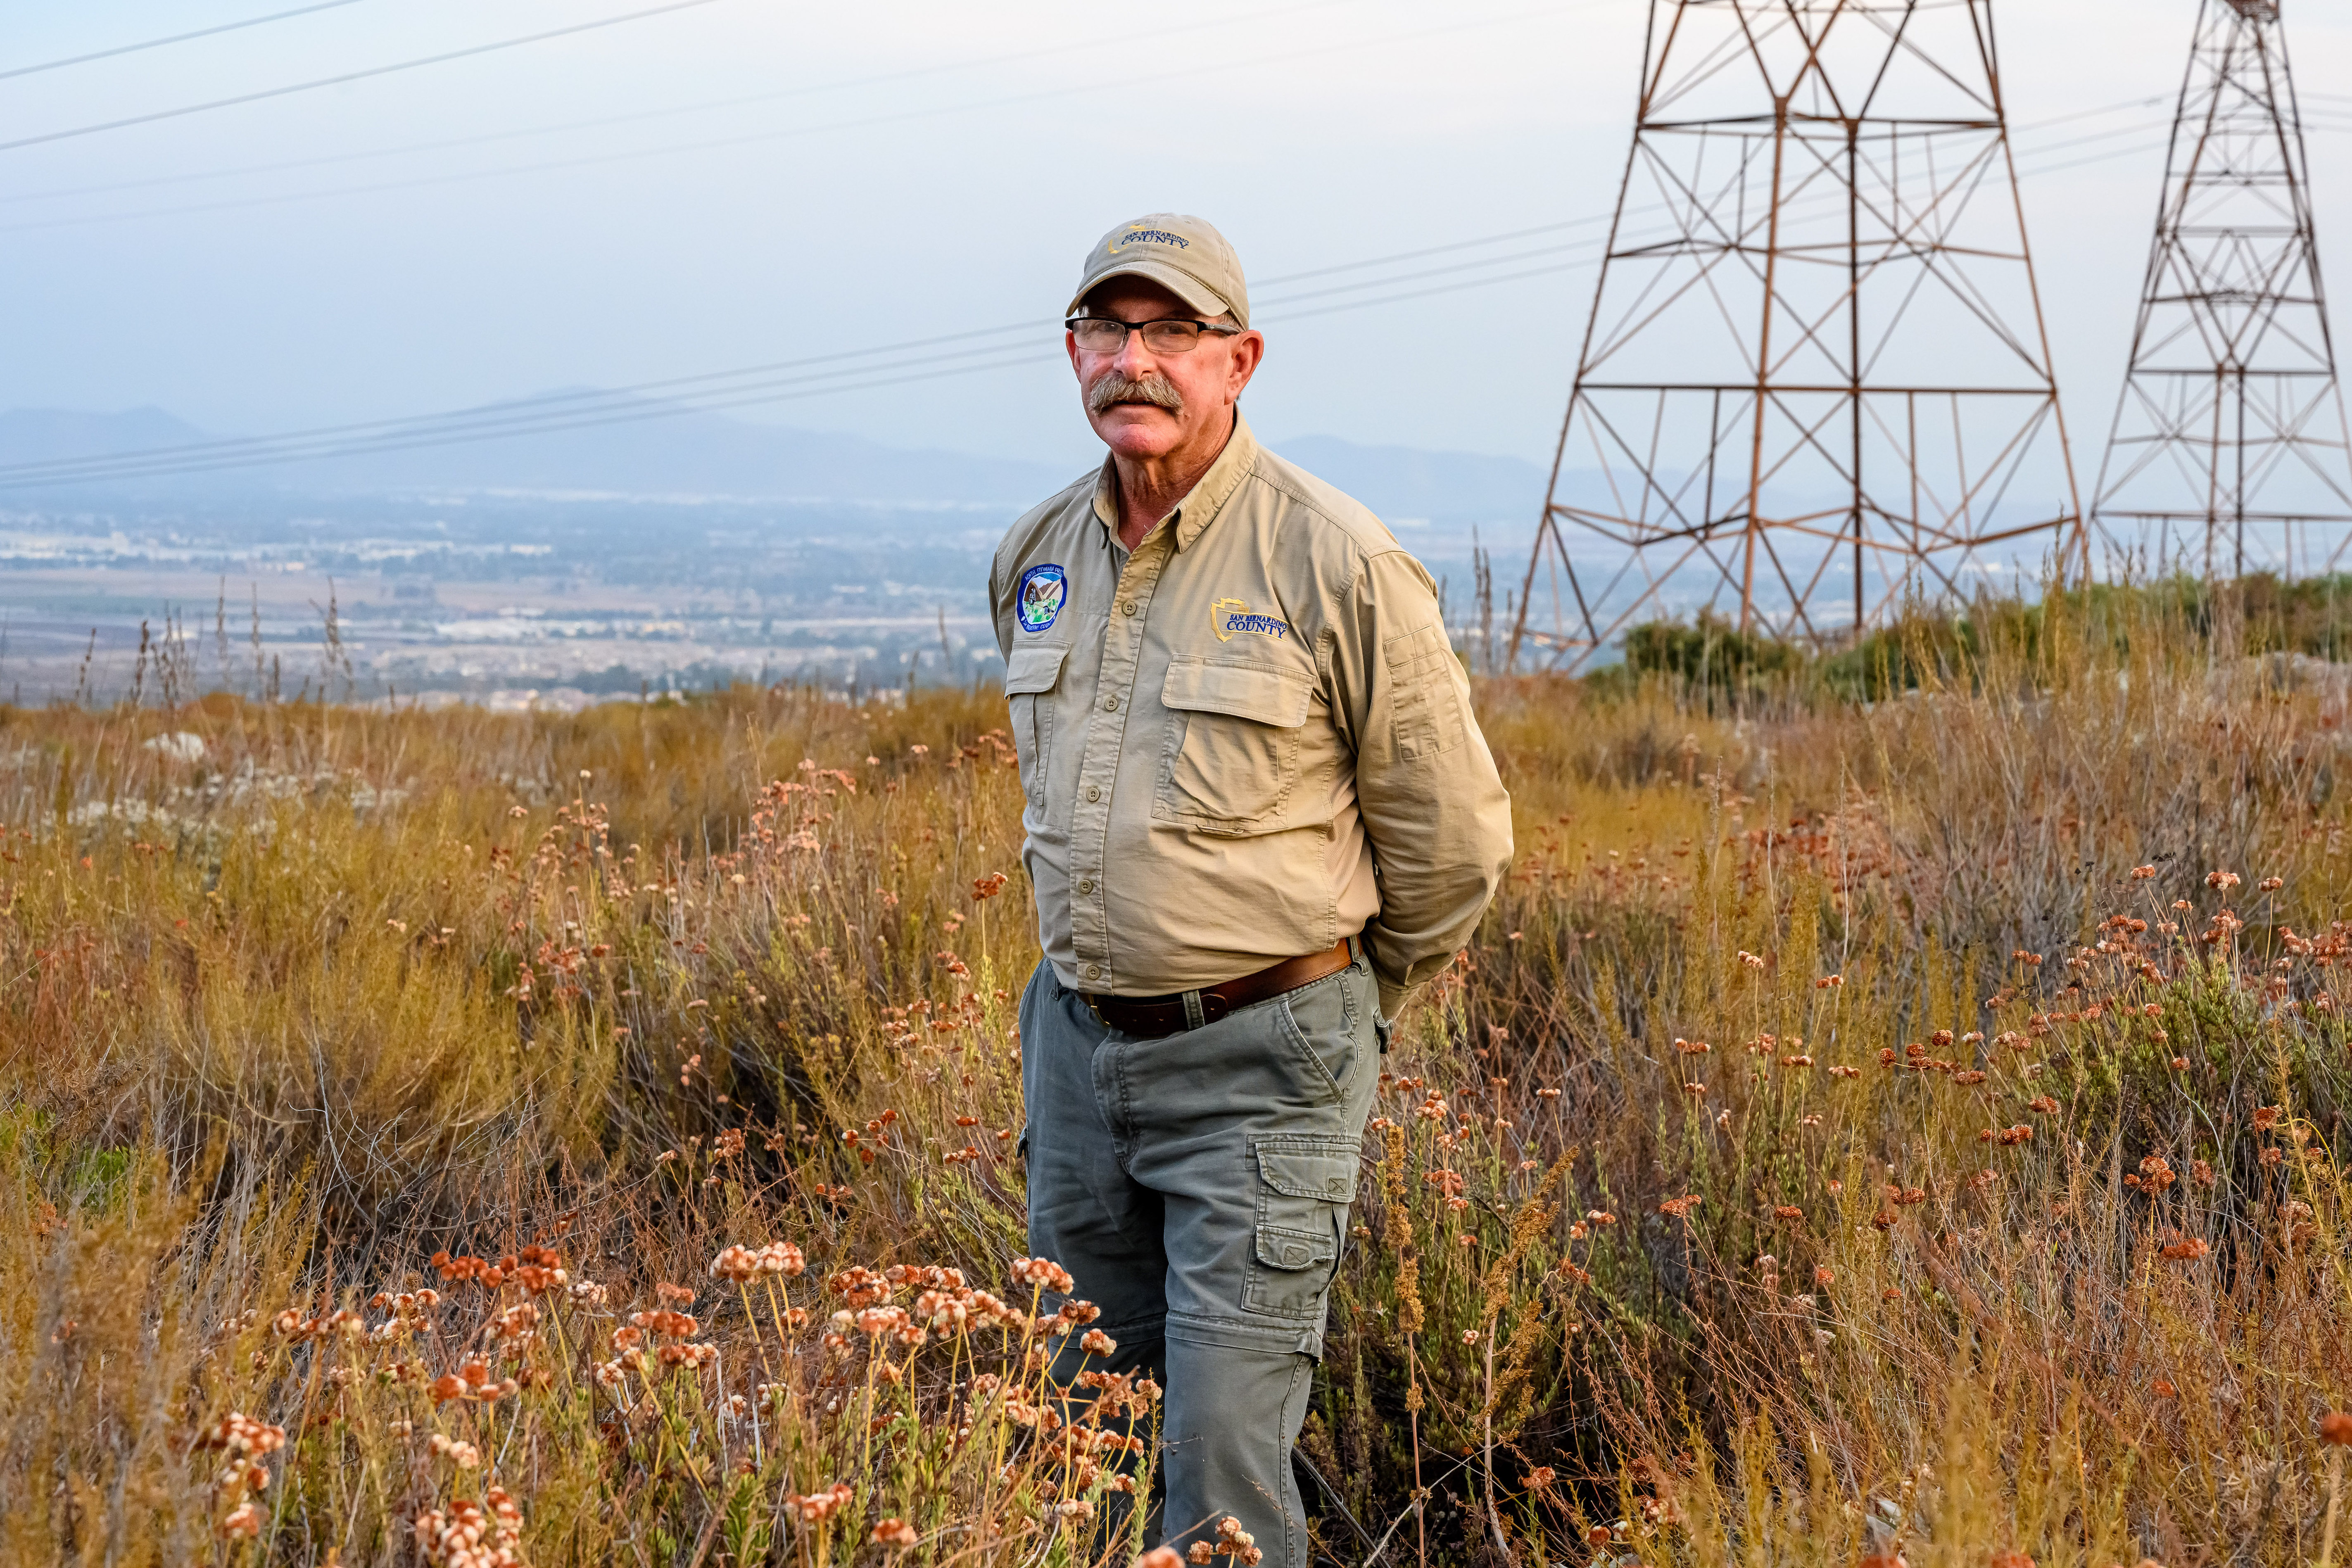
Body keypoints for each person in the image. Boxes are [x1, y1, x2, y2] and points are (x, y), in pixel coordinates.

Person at [990, 212, 1514, 1566]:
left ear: (1241, 360)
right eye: (1107, 330)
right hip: (1080, 1061)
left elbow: (1453, 843)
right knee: (1082, 1448)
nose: (1135, 361)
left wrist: (1335, 1007)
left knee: (1219, 1477)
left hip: (1263, 1068)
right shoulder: (1037, 558)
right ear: (1072, 354)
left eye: (1172, 332)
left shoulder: (1334, 561)